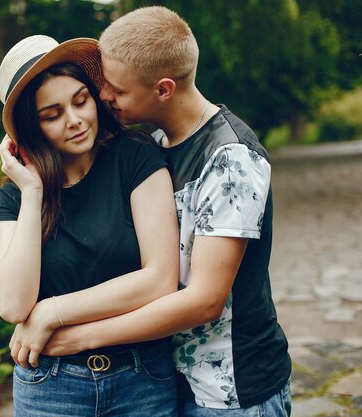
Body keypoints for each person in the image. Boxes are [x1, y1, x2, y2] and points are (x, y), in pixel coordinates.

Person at [43, 6, 292, 417]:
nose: (104, 96)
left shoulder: (231, 159)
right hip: (173, 382)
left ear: (163, 89)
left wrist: (79, 337)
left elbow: (205, 301)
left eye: (118, 90)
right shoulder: (157, 143)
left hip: (231, 395)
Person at [0, 34, 180, 416]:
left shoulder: (135, 156)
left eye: (81, 101)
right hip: (50, 387)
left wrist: (51, 312)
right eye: (52, 114)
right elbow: (12, 305)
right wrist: (31, 192)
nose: (75, 121)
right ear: (31, 127)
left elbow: (160, 279)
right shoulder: (17, 196)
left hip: (142, 380)